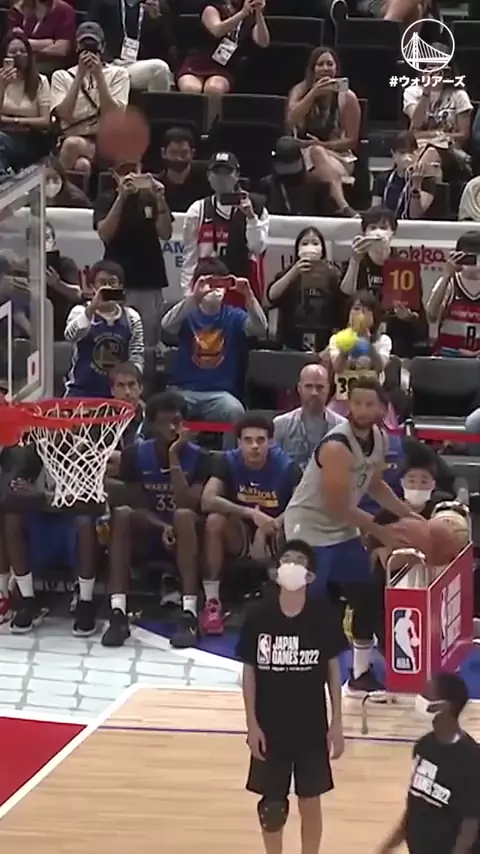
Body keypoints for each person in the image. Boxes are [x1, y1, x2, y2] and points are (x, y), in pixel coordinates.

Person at [284, 375, 428, 694]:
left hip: (342, 523)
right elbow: (337, 505)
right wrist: (381, 532)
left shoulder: (380, 437)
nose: (362, 409)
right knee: (309, 600)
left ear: (381, 408)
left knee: (367, 591)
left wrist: (410, 514)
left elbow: (375, 486)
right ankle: (294, 671)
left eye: (369, 404)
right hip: (309, 525)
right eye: (357, 403)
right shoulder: (337, 446)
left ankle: (360, 672)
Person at [237, 538, 347, 854]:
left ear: (310, 576)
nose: (292, 565)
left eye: (299, 560)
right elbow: (249, 672)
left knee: (310, 801)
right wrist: (251, 724)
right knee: (271, 806)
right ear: (275, 572)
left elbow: (333, 672)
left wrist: (337, 723)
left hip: (311, 727)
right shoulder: (258, 616)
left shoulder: (323, 616)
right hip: (270, 728)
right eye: (287, 559)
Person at [103, 391, 211, 649]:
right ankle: (118, 612)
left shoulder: (201, 457)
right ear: (151, 425)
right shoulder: (134, 455)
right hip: (150, 529)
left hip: (187, 536)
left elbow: (188, 503)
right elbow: (138, 504)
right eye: (165, 423)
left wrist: (174, 456)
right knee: (123, 514)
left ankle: (189, 614)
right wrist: (162, 527)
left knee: (183, 516)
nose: (172, 428)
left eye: (177, 422)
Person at [201, 413, 302, 635]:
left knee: (298, 524)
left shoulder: (287, 467)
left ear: (271, 442)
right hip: (241, 531)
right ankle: (212, 602)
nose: (254, 446)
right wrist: (250, 513)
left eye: (260, 440)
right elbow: (207, 500)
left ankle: (290, 599)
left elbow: (300, 506)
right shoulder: (226, 461)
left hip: (276, 532)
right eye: (248, 440)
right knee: (214, 520)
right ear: (239, 442)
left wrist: (269, 527)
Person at [161, 258, 267, 448]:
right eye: (209, 283)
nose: (214, 289)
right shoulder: (187, 313)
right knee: (164, 409)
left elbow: (260, 328)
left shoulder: (234, 315)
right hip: (184, 392)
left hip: (220, 396)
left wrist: (248, 295)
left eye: (220, 283)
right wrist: (194, 297)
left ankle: (230, 461)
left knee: (235, 411)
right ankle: (166, 457)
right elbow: (167, 326)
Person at [378, 672, 480, 854]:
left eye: (427, 694)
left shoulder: (471, 759)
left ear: (445, 706)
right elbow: (415, 805)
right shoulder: (422, 746)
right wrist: (387, 847)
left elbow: (470, 826)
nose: (420, 698)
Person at [94, 159, 173, 344]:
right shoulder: (106, 199)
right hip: (117, 281)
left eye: (133, 171)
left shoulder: (150, 197)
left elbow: (166, 233)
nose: (129, 176)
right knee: (116, 335)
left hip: (149, 279)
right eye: (124, 172)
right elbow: (105, 234)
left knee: (148, 339)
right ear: (114, 175)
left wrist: (160, 199)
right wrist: (121, 198)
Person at [180, 151, 269, 304]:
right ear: (208, 176)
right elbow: (189, 258)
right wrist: (188, 296)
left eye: (227, 172)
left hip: (242, 289)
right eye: (217, 172)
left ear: (237, 175)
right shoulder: (198, 210)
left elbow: (258, 247)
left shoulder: (257, 207)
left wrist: (250, 217)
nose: (221, 178)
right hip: (207, 291)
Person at [286, 46, 361, 216]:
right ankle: (343, 206)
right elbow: (290, 121)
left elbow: (352, 141)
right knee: (315, 160)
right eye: (320, 64)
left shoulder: (347, 97)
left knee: (317, 152)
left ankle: (337, 206)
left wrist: (322, 144)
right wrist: (313, 94)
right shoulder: (300, 91)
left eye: (329, 64)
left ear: (336, 68)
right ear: (312, 69)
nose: (325, 68)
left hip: (338, 158)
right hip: (302, 157)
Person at [51, 22, 130, 175]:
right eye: (84, 46)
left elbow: (114, 116)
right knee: (82, 165)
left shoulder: (119, 74)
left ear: (102, 47)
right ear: (76, 47)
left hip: (105, 143)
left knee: (72, 145)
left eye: (93, 46)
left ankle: (58, 188)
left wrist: (99, 76)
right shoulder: (61, 76)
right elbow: (64, 115)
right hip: (73, 136)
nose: (88, 51)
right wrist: (79, 76)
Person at [64, 260, 144, 398]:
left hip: (118, 393)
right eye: (102, 283)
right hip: (81, 391)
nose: (108, 287)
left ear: (120, 286)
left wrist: (130, 389)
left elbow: (136, 357)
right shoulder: (80, 311)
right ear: (93, 286)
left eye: (112, 282)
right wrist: (92, 309)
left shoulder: (131, 317)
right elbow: (71, 336)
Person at [266, 226, 344, 353]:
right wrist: (294, 271)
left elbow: (342, 302)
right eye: (305, 243)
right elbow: (272, 295)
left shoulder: (333, 273)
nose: (310, 247)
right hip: (292, 341)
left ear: (322, 250)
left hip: (324, 344)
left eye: (315, 243)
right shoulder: (289, 272)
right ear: (298, 249)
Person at [326, 290, 396, 426]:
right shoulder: (336, 339)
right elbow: (338, 367)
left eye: (366, 310)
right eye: (356, 309)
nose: (360, 314)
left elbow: (379, 367)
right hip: (343, 399)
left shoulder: (383, 340)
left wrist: (366, 339)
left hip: (373, 399)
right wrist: (348, 343)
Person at [177, 0, 270, 95]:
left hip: (223, 66)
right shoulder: (212, 8)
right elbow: (217, 30)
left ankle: (214, 105)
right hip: (199, 61)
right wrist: (242, 13)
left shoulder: (249, 17)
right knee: (190, 88)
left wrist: (259, 14)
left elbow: (263, 42)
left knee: (214, 89)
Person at [89, 0, 175, 93]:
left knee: (161, 69)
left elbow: (164, 50)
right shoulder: (104, 4)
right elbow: (89, 32)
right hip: (108, 65)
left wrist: (157, 21)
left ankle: (156, 103)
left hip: (136, 66)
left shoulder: (155, 5)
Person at [273, 364, 346, 471]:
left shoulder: (342, 426)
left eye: (320, 387)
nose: (314, 392)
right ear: (299, 388)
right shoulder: (280, 424)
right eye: (308, 386)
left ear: (328, 389)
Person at [0, 32, 52, 175]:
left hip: (31, 138)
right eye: (13, 52)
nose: (18, 55)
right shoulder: (1, 79)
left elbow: (45, 120)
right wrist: (2, 86)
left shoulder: (40, 81)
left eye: (23, 51)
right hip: (5, 135)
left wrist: (13, 120)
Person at [426, 230, 480, 356]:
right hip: (449, 356)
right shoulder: (449, 283)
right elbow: (431, 316)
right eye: (466, 257)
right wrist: (446, 276)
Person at [371, 131, 440, 220]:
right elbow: (375, 210)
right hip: (388, 225)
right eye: (402, 153)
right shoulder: (382, 179)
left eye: (410, 152)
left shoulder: (427, 181)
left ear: (417, 153)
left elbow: (414, 214)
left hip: (412, 226)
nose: (407, 157)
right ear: (393, 154)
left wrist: (416, 186)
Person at [258, 136, 328, 217]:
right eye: (285, 174)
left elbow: (329, 218)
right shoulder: (266, 186)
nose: (289, 178)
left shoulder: (317, 184)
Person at [340, 205, 398, 301]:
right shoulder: (356, 261)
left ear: (393, 232)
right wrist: (355, 261)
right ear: (365, 232)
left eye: (383, 228)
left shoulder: (403, 266)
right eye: (373, 228)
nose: (378, 232)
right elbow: (345, 296)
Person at [9, 0, 76, 75]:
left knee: (29, 71)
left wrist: (27, 47)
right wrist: (49, 43)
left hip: (51, 62)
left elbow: (61, 49)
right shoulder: (20, 8)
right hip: (22, 59)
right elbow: (13, 42)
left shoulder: (64, 10)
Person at [159, 127, 210, 213]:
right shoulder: (156, 185)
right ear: (163, 153)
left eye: (184, 153)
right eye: (173, 153)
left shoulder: (208, 180)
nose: (178, 158)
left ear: (192, 153)